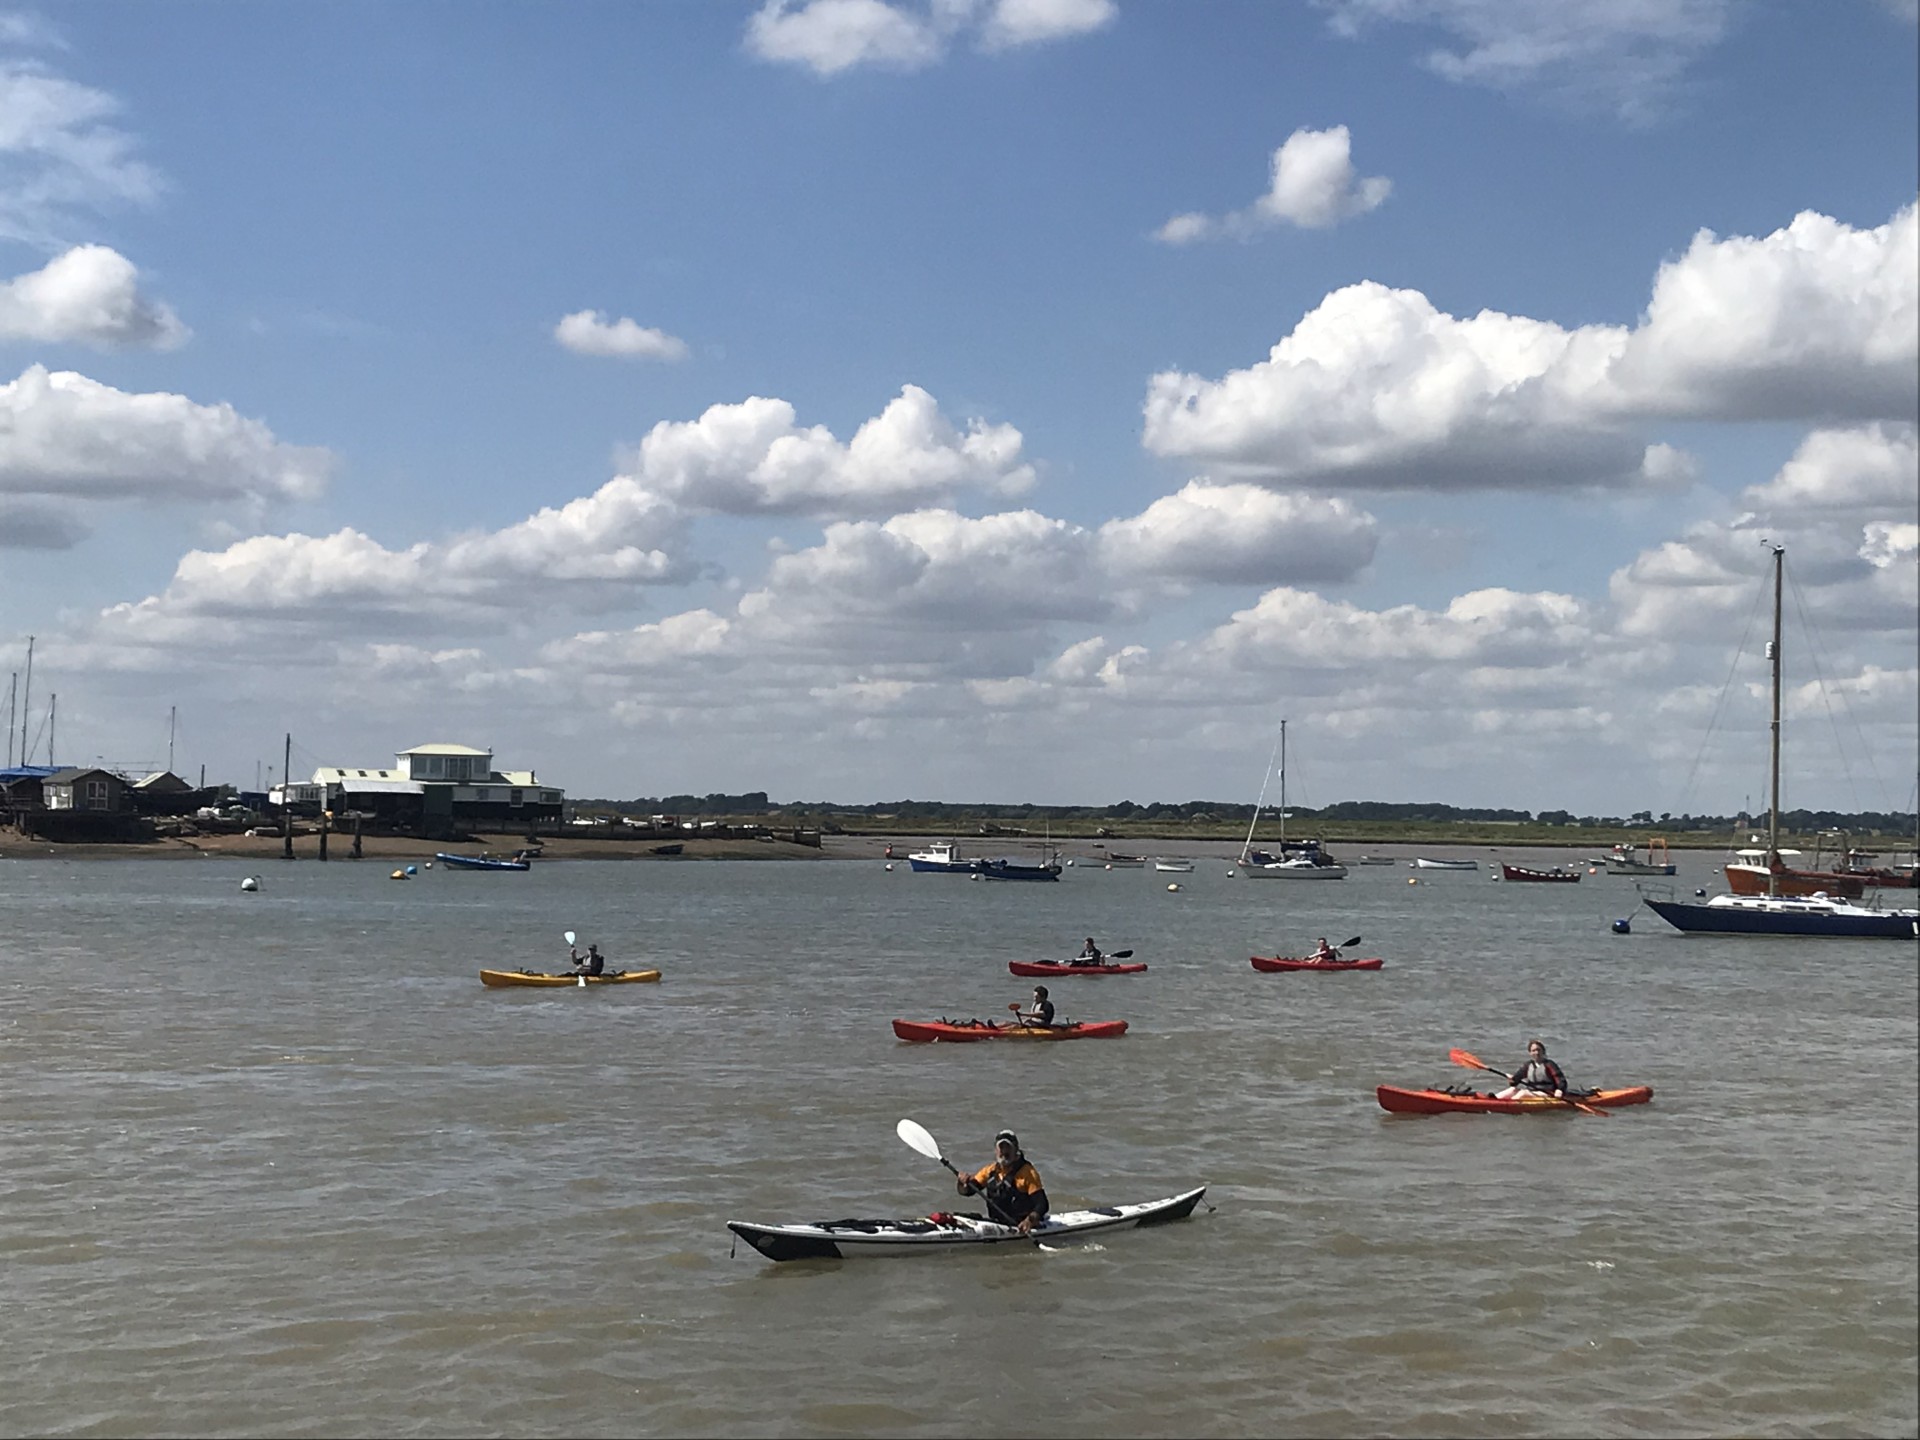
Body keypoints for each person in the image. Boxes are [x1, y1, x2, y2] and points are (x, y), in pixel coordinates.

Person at [957, 1129, 1050, 1233]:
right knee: (959, 1217)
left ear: (1016, 1150)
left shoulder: (1027, 1173)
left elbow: (1042, 1204)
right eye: (1001, 1147)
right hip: (997, 1223)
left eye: (1008, 1147)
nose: (1004, 1151)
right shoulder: (990, 1170)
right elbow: (967, 1191)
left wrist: (1029, 1220)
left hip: (1019, 1224)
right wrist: (962, 1183)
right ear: (996, 1151)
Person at [1495, 1038, 1569, 1100]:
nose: (1536, 1053)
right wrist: (1512, 1080)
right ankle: (1493, 1099)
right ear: (1530, 1053)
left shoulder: (1549, 1064)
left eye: (1538, 1050)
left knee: (1523, 1093)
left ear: (1543, 1051)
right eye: (1533, 1051)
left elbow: (1560, 1079)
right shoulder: (1528, 1065)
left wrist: (1560, 1090)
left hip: (1547, 1092)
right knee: (1512, 1089)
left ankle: (1507, 1104)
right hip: (1532, 1092)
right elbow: (1515, 1081)